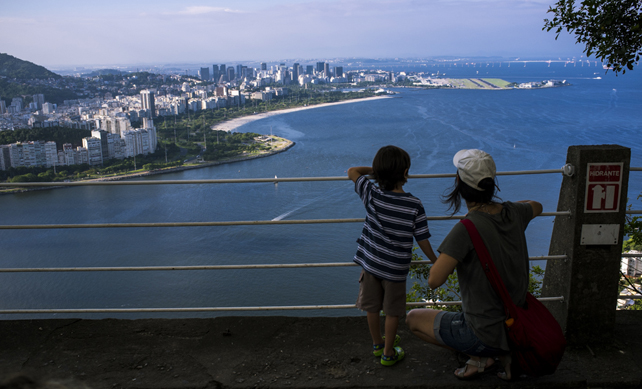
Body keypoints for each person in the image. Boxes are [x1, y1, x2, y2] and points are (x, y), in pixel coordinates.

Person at [405, 149, 542, 380]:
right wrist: (506, 208)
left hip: (483, 332)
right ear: (491, 184)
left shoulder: (465, 230)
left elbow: (434, 280)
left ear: (458, 183)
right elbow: (536, 205)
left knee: (413, 319)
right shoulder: (515, 213)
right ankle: (504, 355)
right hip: (515, 326)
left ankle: (480, 357)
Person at [348, 145, 438, 367]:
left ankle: (377, 344)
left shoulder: (372, 194)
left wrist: (378, 171)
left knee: (371, 307)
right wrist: (436, 261)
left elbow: (352, 171)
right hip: (395, 269)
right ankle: (389, 353)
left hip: (370, 265)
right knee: (392, 311)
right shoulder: (413, 204)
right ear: (405, 173)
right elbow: (422, 238)